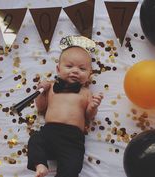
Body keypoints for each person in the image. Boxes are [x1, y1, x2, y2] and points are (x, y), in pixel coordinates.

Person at [27, 36, 103, 177]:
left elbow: (88, 116)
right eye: (69, 66)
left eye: (82, 68)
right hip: (50, 132)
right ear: (58, 68)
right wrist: (40, 92)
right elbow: (41, 108)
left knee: (73, 165)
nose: (75, 71)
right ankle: (40, 164)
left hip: (73, 139)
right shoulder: (50, 87)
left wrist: (93, 106)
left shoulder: (86, 92)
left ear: (89, 74)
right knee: (35, 140)